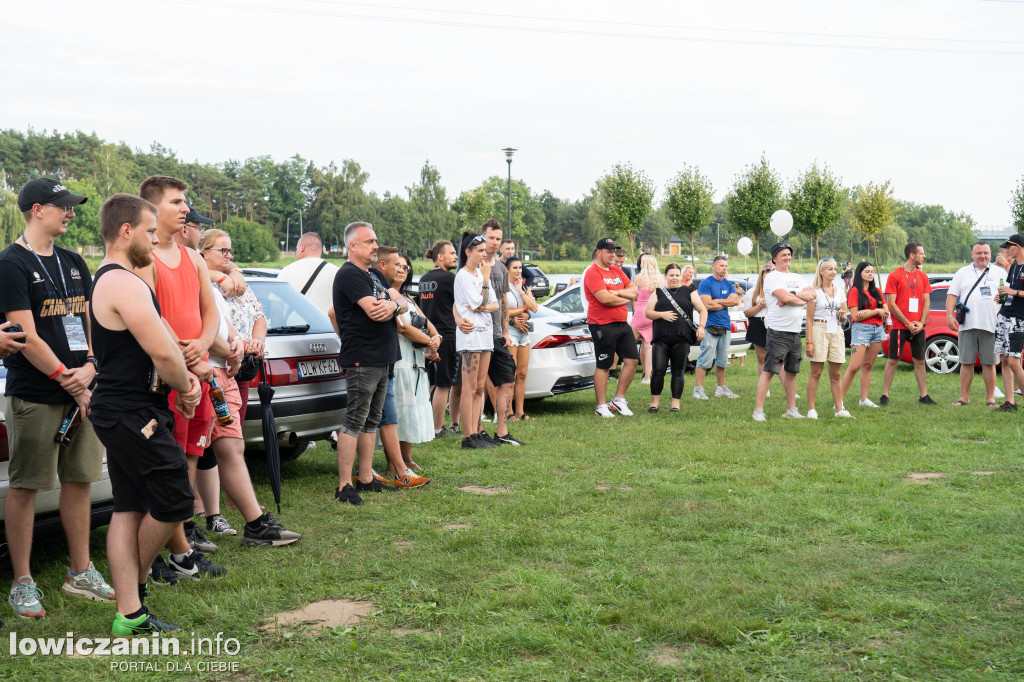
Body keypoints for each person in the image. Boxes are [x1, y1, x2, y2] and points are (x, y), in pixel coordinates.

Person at [88, 193, 204, 634]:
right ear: (126, 231)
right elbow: (163, 350)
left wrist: (182, 378)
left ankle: (129, 611)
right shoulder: (123, 282)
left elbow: (164, 342)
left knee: (129, 505)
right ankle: (135, 585)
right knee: (175, 498)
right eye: (150, 231)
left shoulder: (114, 279)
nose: (155, 240)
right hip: (131, 411)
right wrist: (187, 386)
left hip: (123, 409)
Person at [0, 178, 112, 620]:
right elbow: (24, 334)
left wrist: (90, 366)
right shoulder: (10, 263)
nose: (70, 213)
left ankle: (79, 572)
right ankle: (23, 580)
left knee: (80, 480)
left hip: (80, 390)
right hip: (37, 394)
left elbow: (88, 322)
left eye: (72, 206)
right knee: (27, 486)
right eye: (62, 206)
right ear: (37, 209)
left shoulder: (73, 261)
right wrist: (71, 379)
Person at [135, 175, 226, 582]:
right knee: (164, 463)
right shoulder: (145, 257)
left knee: (190, 455)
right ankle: (162, 553)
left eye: (185, 200)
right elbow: (151, 318)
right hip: (168, 376)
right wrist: (184, 355)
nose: (186, 207)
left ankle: (180, 543)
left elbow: (210, 312)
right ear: (153, 209)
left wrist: (201, 346)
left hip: (200, 371)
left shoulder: (192, 257)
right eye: (177, 201)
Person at [198, 229, 303, 543]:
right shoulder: (201, 276)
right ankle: (196, 520)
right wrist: (233, 347)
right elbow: (201, 325)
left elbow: (253, 316)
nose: (230, 256)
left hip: (231, 371)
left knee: (230, 444)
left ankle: (250, 521)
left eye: (232, 251)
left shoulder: (232, 280)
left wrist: (243, 344)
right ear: (202, 251)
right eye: (223, 251)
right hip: (208, 372)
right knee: (198, 450)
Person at [331, 222, 406, 504]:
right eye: (370, 242)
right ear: (353, 246)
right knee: (355, 418)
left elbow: (403, 303)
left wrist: (394, 304)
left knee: (372, 420)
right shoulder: (349, 274)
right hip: (363, 358)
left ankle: (365, 478)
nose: (376, 246)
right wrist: (390, 305)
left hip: (383, 356)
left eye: (375, 240)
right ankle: (344, 485)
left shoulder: (374, 273)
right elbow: (374, 312)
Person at [752, 243, 816, 421]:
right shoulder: (772, 277)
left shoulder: (796, 277)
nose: (787, 257)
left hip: (795, 331)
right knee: (770, 370)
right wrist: (795, 298)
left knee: (792, 371)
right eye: (783, 255)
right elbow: (786, 298)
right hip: (778, 331)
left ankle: (791, 410)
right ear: (774, 259)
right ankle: (758, 410)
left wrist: (793, 295)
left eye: (789, 254)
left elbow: (812, 295)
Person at [389, 252, 438, 484]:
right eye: (397, 266)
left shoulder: (408, 298)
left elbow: (425, 321)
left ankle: (406, 458)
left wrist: (437, 337)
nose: (401, 270)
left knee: (410, 408)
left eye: (405, 267)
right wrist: (429, 341)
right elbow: (402, 329)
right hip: (399, 360)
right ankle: (392, 462)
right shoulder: (386, 295)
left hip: (416, 361)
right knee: (399, 408)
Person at [479, 219, 523, 446]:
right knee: (477, 386)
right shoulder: (473, 265)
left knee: (508, 380)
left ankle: (502, 431)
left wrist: (506, 332)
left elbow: (504, 300)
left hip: (498, 335)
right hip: (478, 335)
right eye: (491, 238)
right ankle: (475, 431)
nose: (495, 242)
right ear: (482, 238)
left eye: (498, 238)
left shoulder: (499, 267)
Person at [584, 238, 639, 417]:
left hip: (622, 324)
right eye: (608, 251)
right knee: (604, 365)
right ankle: (601, 406)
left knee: (632, 361)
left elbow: (635, 291)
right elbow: (604, 299)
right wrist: (624, 296)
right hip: (602, 325)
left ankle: (618, 400)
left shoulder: (616, 270)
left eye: (613, 251)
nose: (612, 255)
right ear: (599, 252)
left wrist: (616, 292)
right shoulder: (593, 273)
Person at [946, 241, 1005, 407]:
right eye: (979, 253)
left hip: (992, 324)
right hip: (968, 325)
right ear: (972, 254)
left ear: (990, 254)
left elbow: (1006, 295)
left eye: (985, 253)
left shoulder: (1000, 272)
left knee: (989, 363)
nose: (982, 256)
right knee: (966, 362)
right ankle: (964, 398)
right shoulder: (962, 272)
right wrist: (950, 315)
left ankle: (990, 398)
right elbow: (951, 296)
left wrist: (1001, 298)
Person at [455, 233, 499, 448]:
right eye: (480, 251)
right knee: (469, 388)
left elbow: (494, 304)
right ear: (468, 252)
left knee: (480, 387)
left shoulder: (482, 275)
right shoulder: (463, 276)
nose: (484, 254)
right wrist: (484, 284)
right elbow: (477, 301)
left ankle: (478, 430)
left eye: (485, 250)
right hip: (470, 336)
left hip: (485, 334)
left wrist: (482, 302)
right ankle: (468, 435)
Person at [645, 263, 707, 412]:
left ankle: (675, 405)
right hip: (661, 339)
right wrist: (662, 315)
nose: (674, 278)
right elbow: (648, 312)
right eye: (671, 275)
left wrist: (702, 327)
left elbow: (702, 309)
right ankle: (654, 403)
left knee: (678, 371)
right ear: (665, 276)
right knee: (658, 371)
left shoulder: (689, 291)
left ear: (681, 276)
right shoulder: (658, 291)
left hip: (682, 338)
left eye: (677, 275)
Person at [879, 243, 935, 405]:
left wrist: (922, 323)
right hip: (900, 326)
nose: (924, 256)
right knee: (893, 360)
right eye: (921, 253)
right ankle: (885, 395)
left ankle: (924, 396)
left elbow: (926, 303)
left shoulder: (922, 276)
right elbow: (891, 304)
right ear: (912, 255)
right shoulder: (895, 276)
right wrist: (907, 323)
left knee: (919, 361)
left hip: (918, 326)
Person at [418, 240, 462, 437]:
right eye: (451, 253)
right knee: (444, 384)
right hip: (445, 335)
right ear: (440, 256)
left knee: (430, 383)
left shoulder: (423, 279)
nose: (455, 256)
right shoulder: (449, 279)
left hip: (426, 335)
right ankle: (437, 428)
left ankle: (426, 424)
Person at [804, 258, 851, 418]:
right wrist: (809, 341)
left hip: (836, 330)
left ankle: (839, 409)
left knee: (836, 373)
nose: (833, 271)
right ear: (821, 272)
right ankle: (811, 409)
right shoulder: (814, 292)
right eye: (829, 269)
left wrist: (842, 316)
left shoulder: (840, 291)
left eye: (835, 269)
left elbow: (844, 317)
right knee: (816, 372)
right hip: (819, 329)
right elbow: (809, 319)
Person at [840, 261, 889, 409]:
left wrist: (872, 312)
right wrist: (876, 311)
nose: (870, 274)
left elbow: (886, 312)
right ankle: (839, 401)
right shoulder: (854, 291)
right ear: (860, 273)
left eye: (872, 271)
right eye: (867, 271)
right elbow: (855, 316)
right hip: (861, 330)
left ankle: (864, 399)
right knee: (854, 366)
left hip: (877, 330)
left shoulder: (877, 291)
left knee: (868, 366)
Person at [693, 256, 741, 400]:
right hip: (709, 324)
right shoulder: (706, 283)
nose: (724, 268)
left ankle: (721, 388)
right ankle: (698, 389)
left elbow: (736, 301)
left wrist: (718, 302)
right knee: (705, 357)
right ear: (713, 267)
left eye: (726, 266)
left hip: (725, 325)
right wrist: (726, 302)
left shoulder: (728, 283)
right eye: (721, 266)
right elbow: (707, 305)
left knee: (722, 358)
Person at [504, 257, 539, 421]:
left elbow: (534, 308)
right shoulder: (502, 288)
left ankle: (520, 411)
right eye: (514, 268)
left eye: (520, 268)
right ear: (507, 270)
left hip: (524, 332)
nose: (518, 271)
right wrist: (522, 310)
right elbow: (502, 312)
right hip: (510, 331)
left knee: (522, 373)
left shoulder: (523, 287)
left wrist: (521, 292)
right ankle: (509, 412)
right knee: (511, 372)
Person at [994, 234, 1024, 411]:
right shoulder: (1013, 267)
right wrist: (1002, 298)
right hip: (1004, 315)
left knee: (1014, 361)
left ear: (1018, 247)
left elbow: (1016, 291)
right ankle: (1010, 402)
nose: (1006, 251)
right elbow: (1010, 291)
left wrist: (1013, 292)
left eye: (1009, 247)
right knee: (1004, 360)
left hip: (1019, 319)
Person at [277, 232, 340, 314]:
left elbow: (277, 307)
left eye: (296, 249)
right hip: (327, 325)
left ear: (302, 247)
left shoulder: (286, 271)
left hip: (295, 325)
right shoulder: (336, 272)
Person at [630, 253, 663, 385]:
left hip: (640, 314)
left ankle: (626, 374)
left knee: (629, 344)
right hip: (652, 314)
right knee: (648, 346)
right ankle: (647, 377)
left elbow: (633, 295)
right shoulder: (660, 280)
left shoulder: (639, 279)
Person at [742, 261, 772, 376]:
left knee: (777, 357)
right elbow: (747, 313)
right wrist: (760, 306)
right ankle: (764, 386)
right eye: (766, 277)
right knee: (761, 357)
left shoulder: (778, 292)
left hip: (773, 324)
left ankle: (787, 387)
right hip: (757, 324)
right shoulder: (752, 292)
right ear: (762, 277)